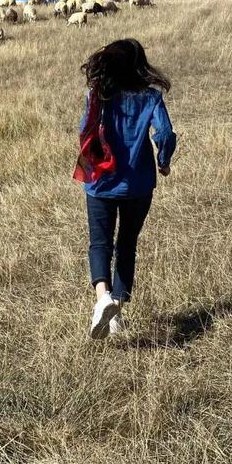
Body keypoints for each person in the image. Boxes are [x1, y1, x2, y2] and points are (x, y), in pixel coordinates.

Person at [74, 38, 177, 339]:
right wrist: (164, 160)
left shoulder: (98, 95)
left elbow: (84, 130)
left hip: (101, 182)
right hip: (139, 182)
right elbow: (166, 133)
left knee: (100, 243)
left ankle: (103, 299)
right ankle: (116, 310)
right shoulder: (150, 97)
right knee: (127, 244)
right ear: (139, 66)